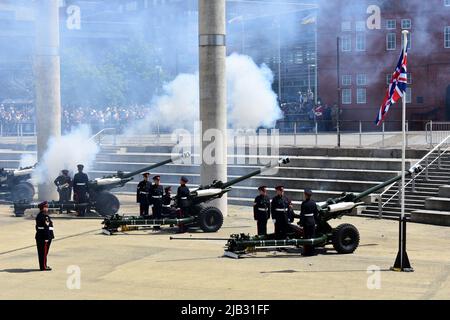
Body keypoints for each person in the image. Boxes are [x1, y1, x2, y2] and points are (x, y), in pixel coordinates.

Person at [35, 201, 54, 271]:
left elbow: (37, 227)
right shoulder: (44, 216)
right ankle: (43, 267)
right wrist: (46, 237)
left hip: (41, 236)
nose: (47, 208)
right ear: (43, 208)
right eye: (46, 207)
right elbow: (46, 227)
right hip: (44, 237)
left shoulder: (40, 215)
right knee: (43, 253)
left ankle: (44, 265)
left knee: (43, 253)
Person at [300, 188, 319, 256]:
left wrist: (301, 223)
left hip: (306, 221)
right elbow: (316, 213)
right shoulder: (313, 203)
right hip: (312, 221)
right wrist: (316, 222)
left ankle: (307, 252)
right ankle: (312, 251)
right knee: (312, 236)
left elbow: (302, 214)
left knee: (306, 237)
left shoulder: (304, 203)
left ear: (306, 195)